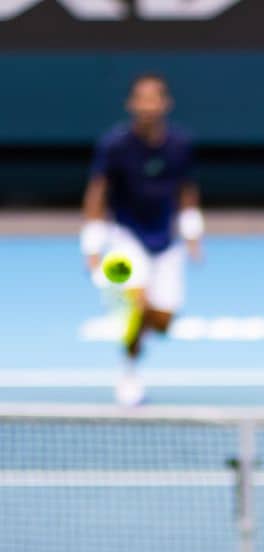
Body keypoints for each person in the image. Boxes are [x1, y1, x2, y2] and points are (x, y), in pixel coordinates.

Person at [80, 72, 203, 407]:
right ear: (131, 104)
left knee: (162, 321)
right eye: (141, 99)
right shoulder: (114, 145)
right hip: (125, 236)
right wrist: (92, 244)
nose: (148, 106)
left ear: (166, 104)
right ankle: (129, 373)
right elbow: (97, 191)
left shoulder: (180, 144)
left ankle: (134, 323)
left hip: (166, 240)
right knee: (138, 303)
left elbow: (187, 189)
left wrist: (192, 232)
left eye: (154, 99)